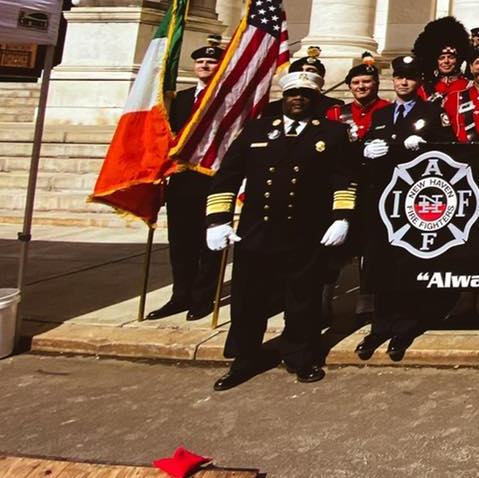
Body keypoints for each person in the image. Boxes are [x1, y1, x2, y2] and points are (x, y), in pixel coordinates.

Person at [205, 70, 359, 389]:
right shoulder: (257, 129)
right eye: (292, 94)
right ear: (283, 98)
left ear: (314, 98)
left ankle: (301, 355)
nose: (298, 99)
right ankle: (244, 358)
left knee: (301, 298)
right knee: (249, 299)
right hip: (257, 231)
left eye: (305, 94)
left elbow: (343, 178)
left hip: (304, 232)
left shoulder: (331, 133)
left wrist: (341, 217)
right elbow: (228, 176)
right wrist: (217, 220)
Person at [355, 54, 452, 362]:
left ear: (418, 81)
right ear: (393, 81)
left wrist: (427, 144)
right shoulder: (382, 115)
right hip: (384, 201)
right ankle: (380, 325)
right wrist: (365, 150)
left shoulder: (432, 112)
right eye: (399, 78)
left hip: (417, 200)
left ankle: (406, 326)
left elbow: (450, 145)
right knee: (380, 263)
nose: (404, 82)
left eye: (409, 78)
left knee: (408, 263)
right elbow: (366, 146)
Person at [145, 42, 224, 321]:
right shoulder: (179, 99)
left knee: (210, 244)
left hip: (212, 180)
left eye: (211, 62)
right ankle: (181, 295)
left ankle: (203, 297)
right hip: (180, 180)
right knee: (180, 243)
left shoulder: (226, 98)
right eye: (201, 61)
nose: (205, 65)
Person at [327, 56, 391, 140]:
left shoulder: (390, 110)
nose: (361, 86)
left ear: (377, 84)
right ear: (350, 87)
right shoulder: (335, 113)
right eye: (355, 83)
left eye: (366, 82)